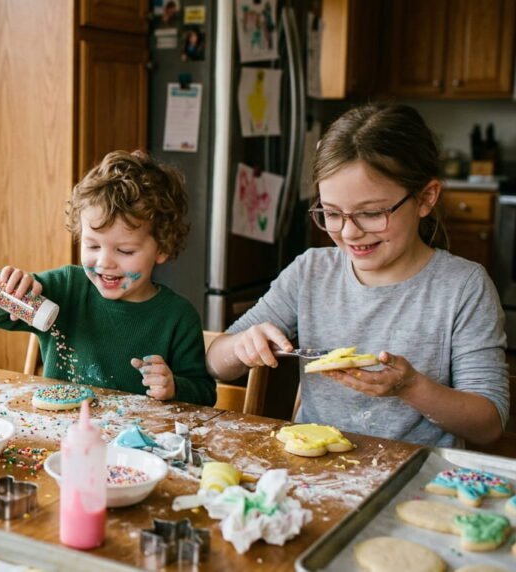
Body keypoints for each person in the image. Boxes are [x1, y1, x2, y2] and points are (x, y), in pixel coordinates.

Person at [206, 103, 508, 447]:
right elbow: (216, 361)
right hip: (317, 469)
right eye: (332, 213)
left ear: (426, 198)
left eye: (370, 213)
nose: (349, 233)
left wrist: (410, 387)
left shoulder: (462, 286)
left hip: (414, 476)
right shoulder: (311, 272)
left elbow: (489, 423)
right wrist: (241, 347)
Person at [0, 150, 215, 405]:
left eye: (125, 251)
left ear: (163, 248)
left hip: (135, 442)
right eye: (92, 246)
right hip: (62, 436)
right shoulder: (67, 288)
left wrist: (174, 387)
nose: (104, 263)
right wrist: (1, 286)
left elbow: (205, 394)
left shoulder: (177, 317)